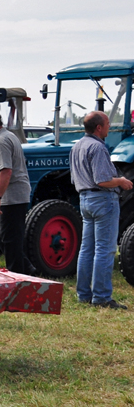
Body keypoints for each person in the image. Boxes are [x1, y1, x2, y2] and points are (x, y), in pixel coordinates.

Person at [70, 111, 133, 309]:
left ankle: (83, 294)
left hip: (85, 199)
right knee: (105, 249)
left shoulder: (77, 146)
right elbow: (102, 180)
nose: (109, 127)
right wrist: (121, 181)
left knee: (86, 249)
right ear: (99, 127)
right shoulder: (98, 147)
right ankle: (102, 297)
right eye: (107, 124)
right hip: (102, 200)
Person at [0, 110, 35, 274]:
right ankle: (27, 268)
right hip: (8, 198)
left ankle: (17, 275)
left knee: (11, 239)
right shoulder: (7, 136)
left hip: (10, 198)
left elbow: (5, 171)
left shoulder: (1, 141)